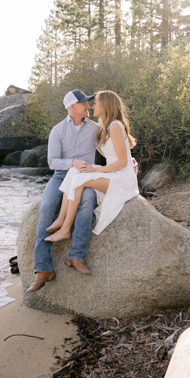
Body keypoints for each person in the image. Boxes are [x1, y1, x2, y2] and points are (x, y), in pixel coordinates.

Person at [26, 89, 101, 294]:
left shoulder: (95, 128)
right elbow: (52, 162)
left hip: (85, 177)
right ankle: (43, 269)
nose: (87, 106)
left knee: (87, 203)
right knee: (47, 207)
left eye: (88, 103)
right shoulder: (57, 131)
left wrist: (128, 160)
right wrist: (72, 163)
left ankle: (76, 255)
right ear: (72, 107)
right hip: (61, 176)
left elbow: (109, 148)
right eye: (84, 103)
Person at [44, 90, 139, 244]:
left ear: (105, 106)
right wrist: (129, 158)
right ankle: (61, 220)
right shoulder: (105, 127)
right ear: (73, 106)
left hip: (122, 178)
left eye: (95, 103)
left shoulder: (114, 126)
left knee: (79, 180)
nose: (91, 106)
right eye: (89, 103)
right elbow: (112, 153)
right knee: (76, 171)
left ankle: (66, 229)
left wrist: (96, 169)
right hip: (115, 173)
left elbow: (121, 162)